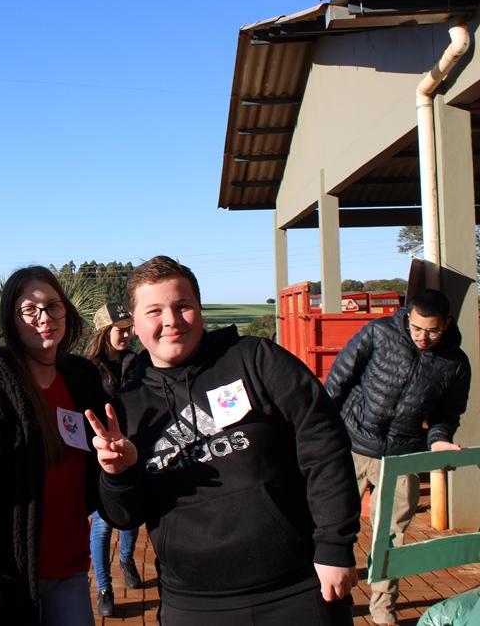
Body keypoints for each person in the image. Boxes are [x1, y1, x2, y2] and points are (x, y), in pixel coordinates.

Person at [85, 256, 361, 626]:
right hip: (193, 604)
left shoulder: (256, 359)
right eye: (155, 311)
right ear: (134, 324)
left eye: (183, 306)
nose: (171, 320)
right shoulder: (128, 408)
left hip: (297, 587)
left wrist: (335, 545)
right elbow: (125, 515)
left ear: (200, 310)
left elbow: (325, 445)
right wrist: (119, 475)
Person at [0, 266, 108, 626]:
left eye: (53, 306)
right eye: (30, 310)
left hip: (70, 571)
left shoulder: (81, 380)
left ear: (66, 311)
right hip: (9, 578)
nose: (44, 318)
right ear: (11, 320)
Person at [325, 288, 471, 626]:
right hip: (351, 446)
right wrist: (322, 435)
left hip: (401, 457)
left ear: (447, 324)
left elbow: (447, 414)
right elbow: (338, 381)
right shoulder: (378, 332)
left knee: (391, 539)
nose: (423, 337)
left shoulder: (456, 364)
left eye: (433, 331)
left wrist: (439, 440)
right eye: (417, 328)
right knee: (331, 525)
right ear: (407, 316)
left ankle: (382, 610)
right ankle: (327, 599)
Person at [83, 303, 141, 617]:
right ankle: (104, 587)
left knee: (130, 516)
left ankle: (127, 560)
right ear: (104, 330)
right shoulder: (87, 368)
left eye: (129, 329)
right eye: (120, 329)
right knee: (103, 524)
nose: (126, 335)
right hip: (100, 456)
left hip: (132, 450)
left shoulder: (138, 363)